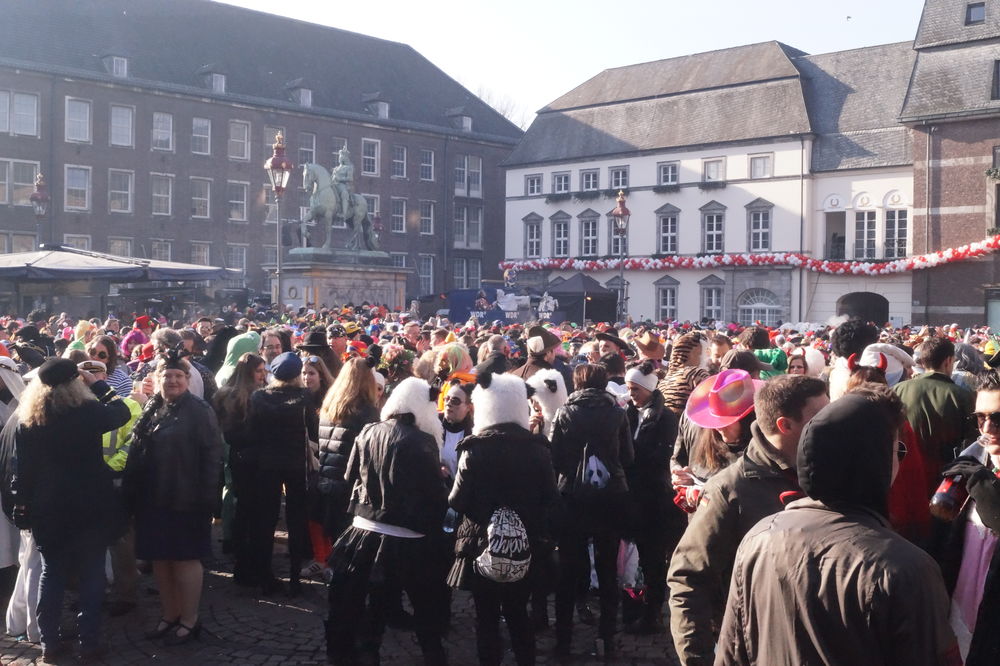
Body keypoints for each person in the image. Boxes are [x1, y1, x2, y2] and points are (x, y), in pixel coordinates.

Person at [715, 386, 961, 665]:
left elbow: (731, 653)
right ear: (877, 461)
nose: (899, 464)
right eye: (897, 451)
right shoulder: (906, 568)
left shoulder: (758, 538)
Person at [667, 374, 828, 664]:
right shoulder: (730, 488)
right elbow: (688, 579)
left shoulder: (829, 470)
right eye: (819, 417)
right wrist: (697, 658)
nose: (830, 423)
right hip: (757, 646)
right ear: (785, 425)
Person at [13, 358, 131, 662]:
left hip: (49, 506)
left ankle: (49, 644)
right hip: (90, 504)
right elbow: (122, 412)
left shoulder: (30, 418)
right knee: (92, 573)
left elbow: (23, 469)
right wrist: (99, 384)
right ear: (75, 383)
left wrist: (22, 503)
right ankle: (88, 641)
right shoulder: (88, 411)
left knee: (51, 574)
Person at [326, 377, 449, 666]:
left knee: (365, 601)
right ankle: (433, 656)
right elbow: (433, 495)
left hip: (364, 530)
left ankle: (360, 653)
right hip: (408, 536)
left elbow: (350, 477)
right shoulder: (423, 442)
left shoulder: (368, 431)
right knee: (425, 606)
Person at [447, 371, 558, 666]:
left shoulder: (474, 448)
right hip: (526, 543)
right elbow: (551, 498)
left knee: (486, 616)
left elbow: (456, 500)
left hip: (481, 541)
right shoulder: (538, 449)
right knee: (518, 612)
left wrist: (487, 511)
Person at [124, 350, 223, 646]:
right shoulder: (153, 407)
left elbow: (212, 457)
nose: (173, 380)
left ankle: (190, 619)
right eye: (167, 375)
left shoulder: (199, 410)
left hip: (186, 499)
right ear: (158, 378)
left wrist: (208, 500)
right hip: (153, 498)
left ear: (187, 379)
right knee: (161, 559)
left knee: (184, 559)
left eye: (179, 375)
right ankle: (170, 614)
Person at [550, 363, 634, 657]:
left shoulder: (564, 413)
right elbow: (628, 457)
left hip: (573, 498)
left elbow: (554, 457)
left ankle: (563, 641)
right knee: (608, 569)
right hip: (610, 497)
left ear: (577, 384)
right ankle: (607, 638)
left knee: (568, 570)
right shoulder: (617, 413)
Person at [931, 370, 1000, 664]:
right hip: (964, 608)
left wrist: (987, 492)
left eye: (998, 418)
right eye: (980, 418)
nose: (988, 428)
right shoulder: (977, 460)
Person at [244, 352, 317, 595]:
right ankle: (295, 577)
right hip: (296, 465)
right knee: (296, 521)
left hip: (266, 464)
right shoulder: (305, 397)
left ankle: (266, 576)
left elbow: (251, 432)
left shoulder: (259, 397)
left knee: (266, 520)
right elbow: (313, 432)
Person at [623, 360, 683, 634]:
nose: (631, 393)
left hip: (654, 498)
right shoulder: (628, 414)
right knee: (633, 559)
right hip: (632, 496)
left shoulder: (665, 418)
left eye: (635, 389)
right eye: (629, 388)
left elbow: (662, 457)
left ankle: (652, 611)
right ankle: (635, 606)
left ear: (648, 388)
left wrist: (633, 457)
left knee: (653, 558)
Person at [314, 357, 380, 577]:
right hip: (350, 484)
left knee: (335, 537)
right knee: (350, 542)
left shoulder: (329, 406)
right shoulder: (366, 412)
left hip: (327, 480)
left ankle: (334, 575)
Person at [895, 335, 977, 491]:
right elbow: (972, 441)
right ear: (948, 361)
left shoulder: (898, 389)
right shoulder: (961, 396)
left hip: (903, 472)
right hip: (945, 478)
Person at [671, 369, 760, 511]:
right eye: (715, 421)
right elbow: (677, 460)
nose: (718, 428)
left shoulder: (765, 447)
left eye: (727, 422)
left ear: (748, 418)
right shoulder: (694, 425)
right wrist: (681, 476)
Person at [213, 352, 266, 576]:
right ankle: (245, 554)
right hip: (246, 456)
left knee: (242, 503)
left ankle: (238, 548)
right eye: (259, 371)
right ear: (248, 372)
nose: (263, 375)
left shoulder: (231, 394)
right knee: (247, 506)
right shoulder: (243, 397)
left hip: (237, 455)